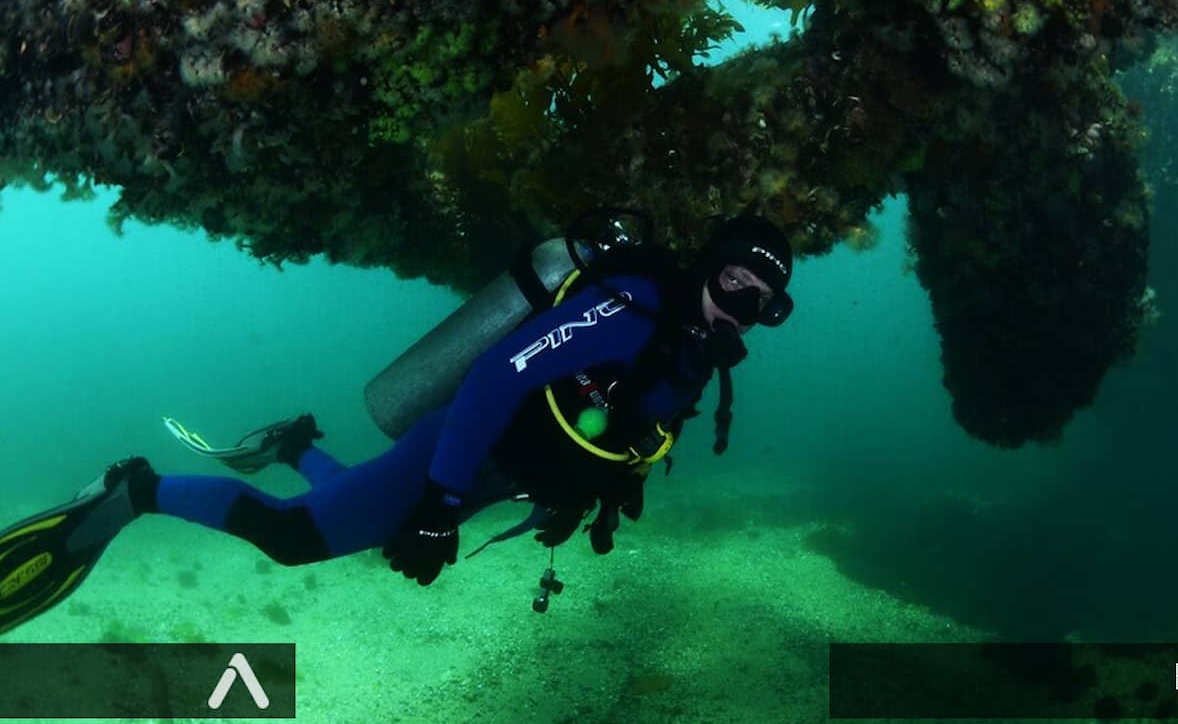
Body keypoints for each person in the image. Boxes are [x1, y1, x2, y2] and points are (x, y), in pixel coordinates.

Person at [0, 214, 794, 633]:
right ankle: (134, 491)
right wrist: (442, 505)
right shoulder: (629, 310)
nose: (740, 305)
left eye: (762, 299)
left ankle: (293, 444)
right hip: (461, 449)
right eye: (733, 279)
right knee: (293, 538)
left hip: (496, 476)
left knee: (368, 521)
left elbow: (618, 430)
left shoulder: (696, 360)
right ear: (706, 265)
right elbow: (493, 377)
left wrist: (590, 495)